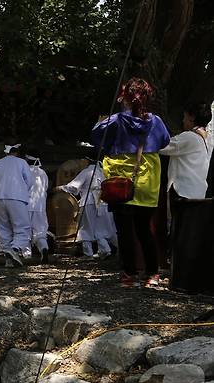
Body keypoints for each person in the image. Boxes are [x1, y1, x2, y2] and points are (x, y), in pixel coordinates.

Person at [92, 77, 170, 288]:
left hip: (120, 181)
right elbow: (165, 141)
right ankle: (152, 274)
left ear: (125, 97)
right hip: (147, 181)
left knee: (124, 230)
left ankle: (129, 274)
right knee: (145, 229)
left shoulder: (116, 120)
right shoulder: (157, 121)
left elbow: (96, 135)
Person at [57, 157, 115, 259]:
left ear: (87, 161)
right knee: (100, 227)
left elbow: (74, 186)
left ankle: (88, 253)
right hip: (102, 202)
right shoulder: (103, 172)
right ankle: (105, 250)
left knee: (85, 227)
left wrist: (61, 187)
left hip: (89, 201)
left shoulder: (87, 171)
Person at [159, 102, 212, 201]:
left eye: (185, 117)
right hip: (198, 193)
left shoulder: (189, 137)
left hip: (183, 192)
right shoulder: (208, 139)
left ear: (192, 118)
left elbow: (162, 147)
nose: (183, 120)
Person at [0, 143, 32, 267]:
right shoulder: (22, 163)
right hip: (16, 197)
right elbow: (29, 182)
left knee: (3, 228)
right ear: (17, 151)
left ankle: (9, 260)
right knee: (22, 226)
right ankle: (14, 250)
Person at [24, 153, 50, 263]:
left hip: (26, 204)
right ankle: (43, 248)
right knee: (40, 230)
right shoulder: (42, 172)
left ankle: (26, 254)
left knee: (24, 229)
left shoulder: (24, 171)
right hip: (40, 205)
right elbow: (46, 187)